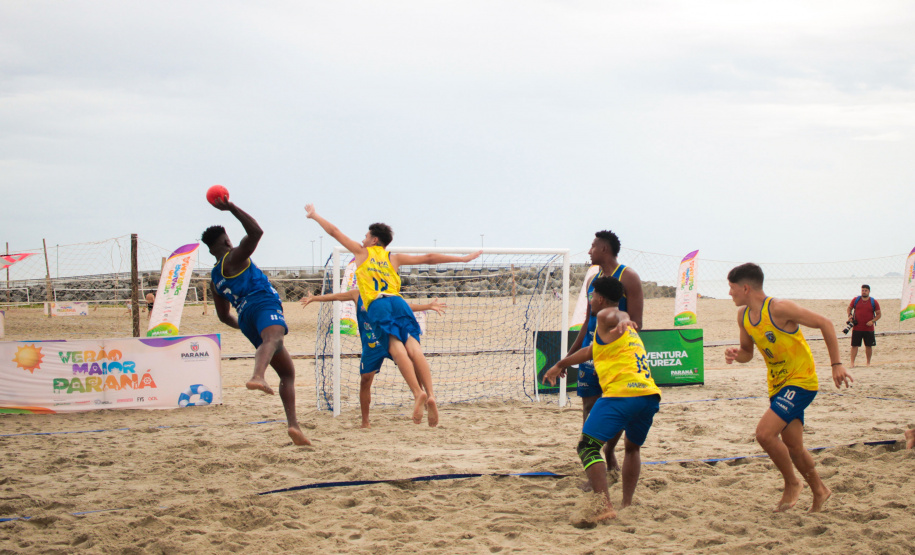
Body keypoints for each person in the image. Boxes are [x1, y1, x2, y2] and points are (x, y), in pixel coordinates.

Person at [305, 204, 481, 427]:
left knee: (397, 350)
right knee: (414, 349)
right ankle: (431, 394)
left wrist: (315, 216)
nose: (363, 239)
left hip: (378, 305)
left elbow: (335, 232)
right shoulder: (393, 258)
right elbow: (428, 258)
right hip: (398, 302)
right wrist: (463, 260)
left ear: (374, 240)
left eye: (366, 235)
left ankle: (417, 393)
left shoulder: (361, 253)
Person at [724, 263, 853, 512]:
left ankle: (792, 483)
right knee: (793, 446)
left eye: (731, 288)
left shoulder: (780, 308)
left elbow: (825, 323)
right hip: (777, 384)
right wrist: (734, 354)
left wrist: (836, 364)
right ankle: (820, 490)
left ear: (746, 288)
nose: (729, 293)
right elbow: (748, 353)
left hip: (801, 380)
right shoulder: (743, 316)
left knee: (764, 434)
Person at [543, 276, 659, 522]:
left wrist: (626, 321)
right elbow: (590, 350)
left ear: (601, 298)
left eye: (592, 296)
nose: (590, 300)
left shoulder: (609, 316)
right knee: (632, 448)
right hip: (649, 395)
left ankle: (604, 506)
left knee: (586, 446)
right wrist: (560, 364)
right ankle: (627, 503)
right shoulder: (607, 334)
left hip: (622, 394)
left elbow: (619, 316)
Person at [201, 198, 310, 446]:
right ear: (228, 241)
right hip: (262, 304)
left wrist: (245, 324)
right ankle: (258, 376)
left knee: (288, 373)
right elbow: (256, 232)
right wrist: (231, 208)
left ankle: (294, 426)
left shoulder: (215, 277)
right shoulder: (234, 258)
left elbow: (222, 316)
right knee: (274, 338)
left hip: (246, 318)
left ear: (209, 250)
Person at [560, 230, 644, 472]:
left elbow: (637, 323)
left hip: (616, 356)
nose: (589, 251)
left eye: (592, 246)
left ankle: (610, 451)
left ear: (604, 249)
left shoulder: (628, 277)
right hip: (591, 352)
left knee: (615, 408)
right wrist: (567, 358)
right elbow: (587, 322)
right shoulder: (591, 280)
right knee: (588, 408)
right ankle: (592, 461)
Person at [301, 289, 446, 428]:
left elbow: (405, 306)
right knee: (365, 379)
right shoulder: (357, 293)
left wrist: (427, 306)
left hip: (389, 336)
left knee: (412, 360)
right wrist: (315, 298)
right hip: (372, 343)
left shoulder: (384, 292)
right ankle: (365, 421)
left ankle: (423, 398)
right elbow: (336, 297)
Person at [847, 284, 881, 367]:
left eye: (866, 290)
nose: (864, 292)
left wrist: (872, 321)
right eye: (863, 290)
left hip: (869, 328)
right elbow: (849, 308)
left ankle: (868, 363)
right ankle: (852, 363)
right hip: (857, 327)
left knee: (869, 346)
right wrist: (850, 316)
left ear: (869, 291)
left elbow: (879, 314)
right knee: (854, 345)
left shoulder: (873, 301)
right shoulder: (856, 300)